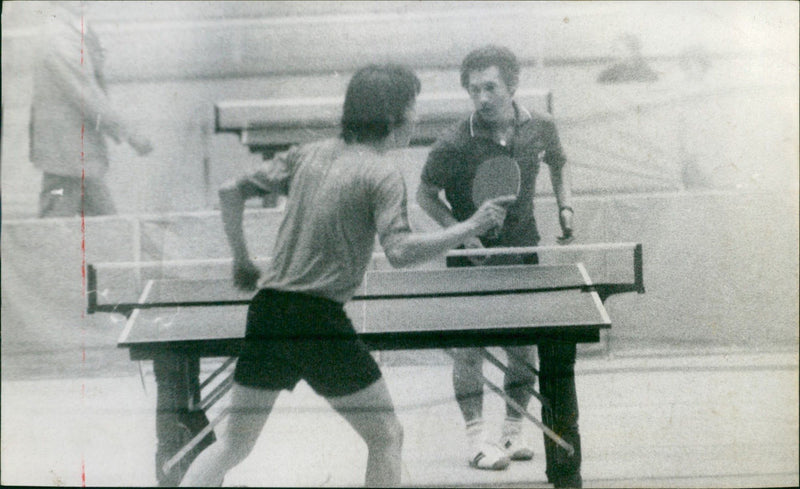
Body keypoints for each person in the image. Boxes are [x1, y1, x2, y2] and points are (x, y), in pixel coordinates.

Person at [179, 64, 513, 487]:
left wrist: (242, 260)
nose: (415, 117)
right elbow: (401, 253)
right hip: (316, 320)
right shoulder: (382, 173)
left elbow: (230, 191)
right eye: (411, 108)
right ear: (393, 117)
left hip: (268, 311)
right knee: (387, 435)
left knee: (233, 444)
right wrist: (468, 228)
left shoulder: (307, 154)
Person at [416, 44, 577, 482]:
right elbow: (425, 195)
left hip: (523, 251)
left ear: (512, 86)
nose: (481, 98)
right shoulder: (453, 141)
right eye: (474, 90)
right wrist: (464, 235)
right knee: (470, 350)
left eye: (490, 88)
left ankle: (511, 432)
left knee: (523, 349)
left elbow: (559, 165)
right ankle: (475, 441)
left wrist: (565, 207)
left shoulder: (541, 126)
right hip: (471, 259)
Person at [29, 1, 153, 218]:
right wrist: (130, 134)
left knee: (102, 230)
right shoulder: (59, 37)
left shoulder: (69, 28)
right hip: (68, 156)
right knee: (55, 233)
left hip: (73, 156)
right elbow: (87, 95)